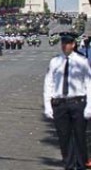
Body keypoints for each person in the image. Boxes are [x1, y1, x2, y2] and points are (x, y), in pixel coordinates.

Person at [44, 32, 91, 170]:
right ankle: (69, 165)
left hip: (78, 102)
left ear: (73, 44)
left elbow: (89, 83)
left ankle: (81, 164)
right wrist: (48, 105)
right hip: (60, 103)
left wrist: (89, 105)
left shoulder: (82, 61)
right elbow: (49, 83)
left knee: (79, 136)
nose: (64, 46)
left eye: (67, 43)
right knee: (64, 137)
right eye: (63, 43)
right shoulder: (55, 61)